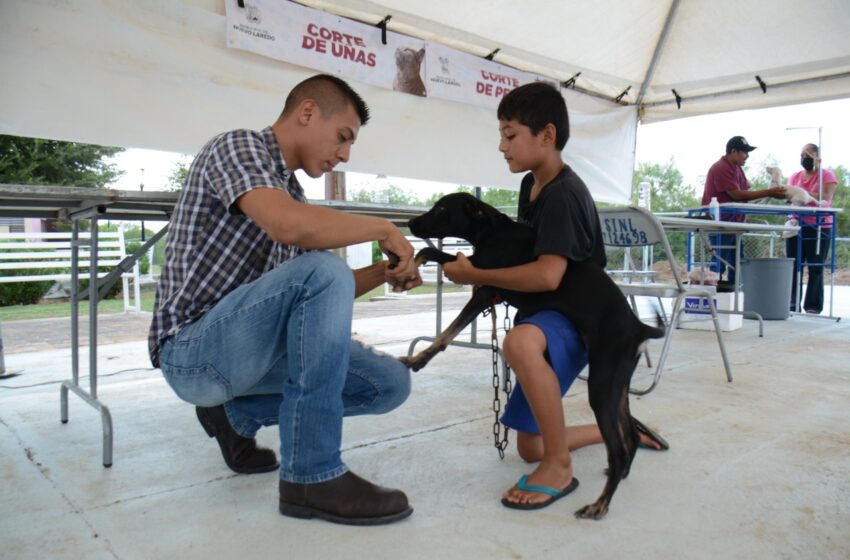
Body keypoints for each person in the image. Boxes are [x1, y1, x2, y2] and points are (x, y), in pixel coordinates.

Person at [148, 74, 422, 526]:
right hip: (192, 352)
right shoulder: (237, 147)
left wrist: (384, 272)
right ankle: (311, 474)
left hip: (247, 354)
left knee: (389, 383)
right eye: (343, 137)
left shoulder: (290, 195)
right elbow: (290, 228)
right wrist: (383, 228)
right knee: (323, 267)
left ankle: (233, 416)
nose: (344, 155)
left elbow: (321, 289)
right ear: (308, 112)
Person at [441, 82, 667, 510]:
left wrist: (475, 273)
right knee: (530, 446)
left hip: (582, 318)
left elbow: (548, 275)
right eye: (501, 135)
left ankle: (560, 467)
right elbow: (531, 259)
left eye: (510, 135)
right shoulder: (532, 185)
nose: (502, 146)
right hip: (555, 309)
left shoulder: (563, 194)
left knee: (521, 342)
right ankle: (619, 430)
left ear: (546, 135)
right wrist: (495, 282)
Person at [701, 136, 786, 284]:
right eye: (744, 152)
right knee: (718, 263)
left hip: (733, 224)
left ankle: (734, 293)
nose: (747, 156)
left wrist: (770, 192)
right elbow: (737, 194)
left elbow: (745, 190)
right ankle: (710, 293)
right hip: (721, 224)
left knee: (737, 264)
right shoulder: (721, 167)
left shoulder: (737, 168)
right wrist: (768, 192)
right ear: (734, 151)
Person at [783, 143, 838, 313]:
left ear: (817, 158)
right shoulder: (795, 176)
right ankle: (792, 303)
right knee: (793, 265)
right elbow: (788, 195)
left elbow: (826, 197)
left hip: (819, 225)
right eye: (802, 155)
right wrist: (798, 195)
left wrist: (803, 195)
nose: (803, 159)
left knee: (815, 267)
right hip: (796, 223)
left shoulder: (826, 176)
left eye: (807, 155)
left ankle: (813, 306)